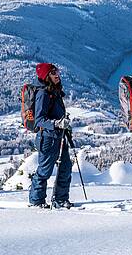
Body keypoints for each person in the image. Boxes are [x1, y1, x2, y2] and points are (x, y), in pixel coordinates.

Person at [28, 63, 73, 209]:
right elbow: (39, 119)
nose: (57, 75)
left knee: (65, 167)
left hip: (59, 136)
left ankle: (60, 199)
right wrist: (57, 124)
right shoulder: (43, 94)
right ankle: (36, 201)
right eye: (54, 73)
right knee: (44, 171)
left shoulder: (54, 91)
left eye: (57, 71)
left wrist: (63, 124)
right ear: (47, 76)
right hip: (48, 138)